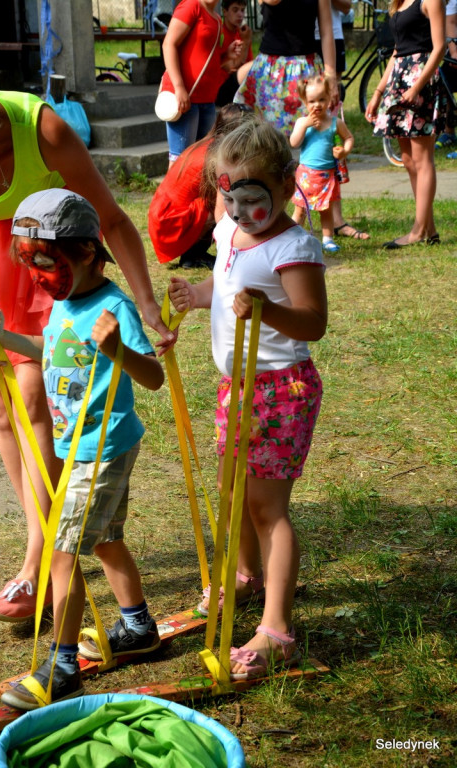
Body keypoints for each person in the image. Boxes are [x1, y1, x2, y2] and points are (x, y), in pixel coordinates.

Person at [0, 49, 174, 623]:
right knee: (4, 410)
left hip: (45, 255)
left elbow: (112, 219)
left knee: (36, 396)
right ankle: (44, 543)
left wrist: (145, 304)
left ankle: (40, 562)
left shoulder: (39, 126)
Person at [0, 189, 165, 710]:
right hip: (76, 447)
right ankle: (137, 627)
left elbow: (154, 378)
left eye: (45, 260)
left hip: (103, 449)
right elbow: (48, 350)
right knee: (104, 542)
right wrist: (4, 338)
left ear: (84, 252)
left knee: (62, 553)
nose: (37, 272)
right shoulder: (64, 303)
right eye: (27, 261)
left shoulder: (113, 307)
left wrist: (118, 350)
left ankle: (61, 667)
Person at [168, 121, 327, 679]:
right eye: (228, 197)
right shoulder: (229, 233)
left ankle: (277, 629)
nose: (239, 211)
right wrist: (198, 295)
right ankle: (243, 577)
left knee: (266, 508)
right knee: (231, 492)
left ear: (286, 184)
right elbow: (227, 286)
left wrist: (266, 309)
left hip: (281, 389)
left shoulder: (294, 245)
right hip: (235, 387)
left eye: (252, 199)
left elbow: (313, 322)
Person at [365, 0, 446, 248]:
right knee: (408, 159)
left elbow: (440, 47)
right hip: (399, 78)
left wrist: (418, 86)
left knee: (422, 159)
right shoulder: (399, 3)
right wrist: (378, 92)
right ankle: (428, 227)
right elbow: (397, 51)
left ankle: (419, 230)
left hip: (419, 79)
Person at [148, 103, 254, 269]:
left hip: (162, 215)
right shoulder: (219, 156)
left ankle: (192, 255)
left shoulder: (210, 142)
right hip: (169, 222)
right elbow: (220, 211)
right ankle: (195, 254)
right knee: (228, 204)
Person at [234, 0, 338, 135]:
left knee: (312, 134)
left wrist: (331, 75)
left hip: (306, 69)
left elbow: (327, 32)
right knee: (267, 139)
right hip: (271, 73)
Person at [161, 0, 243, 167]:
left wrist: (227, 54)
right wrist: (179, 87)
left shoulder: (216, 18)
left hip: (207, 99)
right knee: (180, 162)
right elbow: (169, 44)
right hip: (186, 98)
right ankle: (171, 194)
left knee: (202, 161)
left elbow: (210, 60)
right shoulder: (192, 6)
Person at [314, 0, 371, 240]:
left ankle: (336, 220)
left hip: (331, 40)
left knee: (330, 133)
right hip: (299, 44)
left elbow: (347, 7)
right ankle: (300, 214)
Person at [290, 74, 354, 254]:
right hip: (306, 176)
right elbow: (294, 143)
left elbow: (348, 138)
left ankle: (327, 238)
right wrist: (304, 126)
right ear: (304, 101)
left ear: (329, 99)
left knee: (326, 210)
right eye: (311, 101)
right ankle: (293, 237)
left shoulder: (335, 123)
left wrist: (344, 151)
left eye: (321, 100)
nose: (317, 104)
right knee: (300, 210)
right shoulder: (303, 122)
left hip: (327, 175)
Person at [215, 0, 254, 108]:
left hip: (239, 85)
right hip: (220, 89)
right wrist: (246, 42)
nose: (240, 14)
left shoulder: (242, 33)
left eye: (242, 10)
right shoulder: (219, 32)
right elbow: (233, 66)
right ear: (225, 11)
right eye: (235, 10)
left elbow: (248, 64)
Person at [436, 0, 457, 154]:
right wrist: (454, 51)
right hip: (455, 45)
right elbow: (450, 21)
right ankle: (449, 133)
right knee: (445, 84)